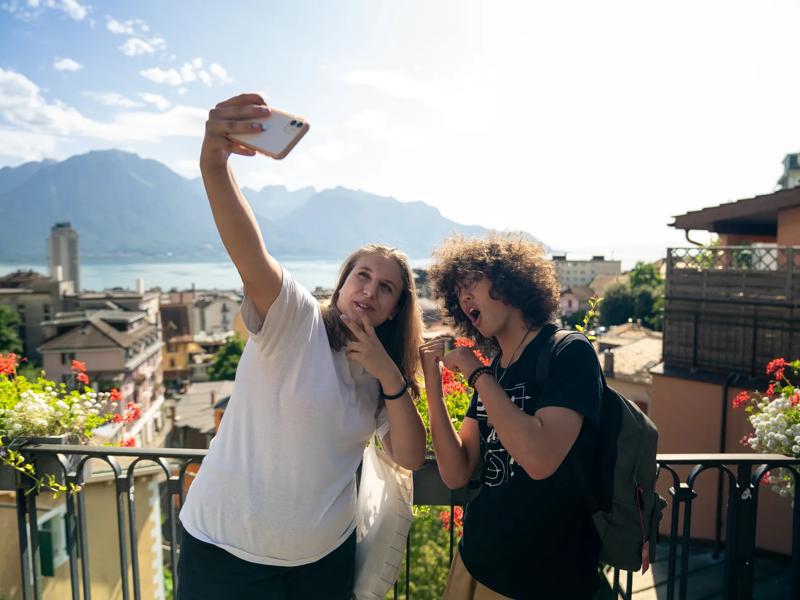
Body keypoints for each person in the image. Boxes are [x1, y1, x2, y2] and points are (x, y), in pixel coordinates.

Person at [177, 93, 427, 600]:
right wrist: (214, 163)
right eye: (362, 276)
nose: (370, 291)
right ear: (340, 285)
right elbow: (250, 251)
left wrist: (390, 376)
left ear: (395, 309)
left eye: (386, 288)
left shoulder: (380, 376)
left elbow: (410, 455)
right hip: (226, 555)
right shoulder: (297, 321)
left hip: (323, 563)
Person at [419, 235, 603, 599]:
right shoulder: (495, 370)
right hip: (476, 560)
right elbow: (457, 471)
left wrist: (476, 375)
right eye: (458, 293)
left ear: (510, 281)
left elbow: (539, 458)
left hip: (542, 576)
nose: (464, 298)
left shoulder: (567, 352)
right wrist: (433, 385)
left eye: (471, 284)